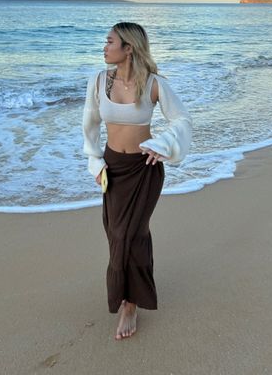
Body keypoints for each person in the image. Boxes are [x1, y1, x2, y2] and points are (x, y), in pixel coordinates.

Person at [82, 22, 192, 340]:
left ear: (128, 48)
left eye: (110, 41)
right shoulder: (99, 82)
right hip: (114, 168)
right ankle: (127, 295)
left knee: (132, 234)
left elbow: (182, 120)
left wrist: (164, 146)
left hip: (145, 168)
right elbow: (89, 126)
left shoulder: (154, 84)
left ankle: (130, 304)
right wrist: (95, 161)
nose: (104, 47)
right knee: (116, 234)